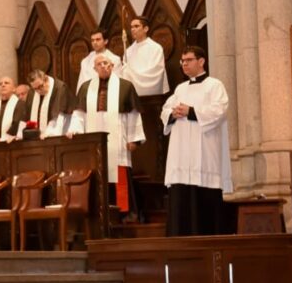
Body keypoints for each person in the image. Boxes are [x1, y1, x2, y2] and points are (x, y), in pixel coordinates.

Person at [160, 45, 231, 236]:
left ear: (201, 61)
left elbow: (220, 110)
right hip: (181, 154)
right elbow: (165, 110)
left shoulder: (214, 85)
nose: (184, 64)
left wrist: (191, 111)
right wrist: (172, 113)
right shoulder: (180, 89)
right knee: (181, 198)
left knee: (204, 198)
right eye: (182, 61)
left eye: (188, 60)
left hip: (205, 153)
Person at [68, 54, 145, 219]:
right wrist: (75, 130)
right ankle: (99, 213)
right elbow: (79, 114)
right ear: (94, 68)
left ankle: (124, 213)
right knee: (97, 172)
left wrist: (134, 138)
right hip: (94, 136)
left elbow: (133, 114)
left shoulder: (125, 86)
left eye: (106, 63)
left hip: (118, 136)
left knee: (119, 173)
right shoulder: (86, 87)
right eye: (99, 64)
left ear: (112, 66)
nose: (103, 66)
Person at [19, 69, 74, 138]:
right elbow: (26, 116)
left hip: (56, 135)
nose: (38, 91)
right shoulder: (32, 92)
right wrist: (19, 135)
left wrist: (49, 133)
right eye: (35, 88)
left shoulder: (60, 88)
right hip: (36, 138)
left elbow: (60, 116)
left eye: (40, 86)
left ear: (46, 79)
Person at [122, 16, 169, 96]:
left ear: (146, 29)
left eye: (136, 26)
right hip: (132, 95)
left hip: (151, 96)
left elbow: (156, 72)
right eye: (131, 27)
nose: (133, 29)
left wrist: (131, 74)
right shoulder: (128, 51)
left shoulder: (155, 48)